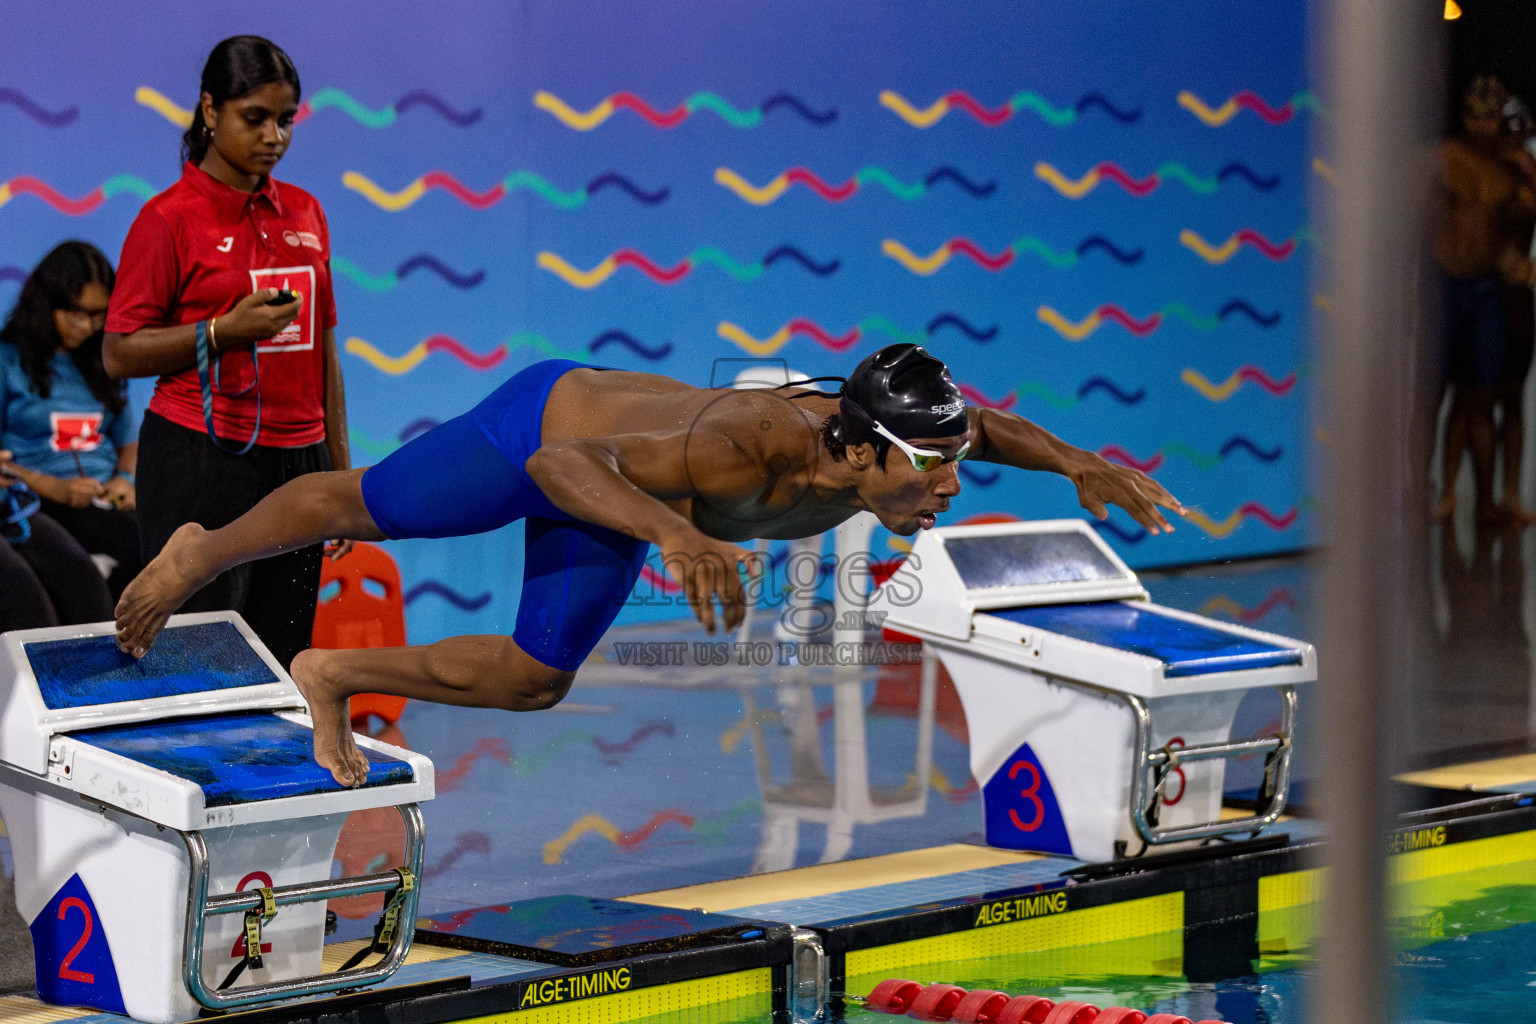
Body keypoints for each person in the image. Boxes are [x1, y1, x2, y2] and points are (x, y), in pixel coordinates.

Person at [115, 344, 1185, 787]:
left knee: (538, 680)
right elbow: (556, 461)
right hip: (543, 428)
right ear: (856, 449)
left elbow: (986, 426)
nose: (949, 486)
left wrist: (1085, 464)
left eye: (950, 467)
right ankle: (200, 549)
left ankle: (333, 676)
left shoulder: (888, 447)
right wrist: (676, 535)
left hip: (624, 493)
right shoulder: (751, 438)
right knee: (370, 504)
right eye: (928, 469)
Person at [103, 36, 352, 669]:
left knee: (281, 652)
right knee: (198, 653)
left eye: (286, 119)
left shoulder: (306, 211)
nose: (275, 136)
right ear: (210, 110)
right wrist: (220, 333)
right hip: (197, 459)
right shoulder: (168, 219)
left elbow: (325, 350)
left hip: (300, 460)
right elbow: (118, 353)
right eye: (256, 118)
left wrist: (341, 479)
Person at [0, 241, 141, 597]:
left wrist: (124, 480)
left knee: (167, 556)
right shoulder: (7, 360)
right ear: (46, 305)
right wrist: (55, 488)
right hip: (33, 500)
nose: (89, 326)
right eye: (77, 314)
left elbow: (129, 442)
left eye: (99, 316)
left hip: (100, 500)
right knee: (80, 580)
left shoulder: (104, 362)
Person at [1434, 76, 1536, 524]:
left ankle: (1499, 498)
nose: (1484, 126)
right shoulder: (1447, 159)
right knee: (1449, 397)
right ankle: (1443, 496)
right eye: (1476, 116)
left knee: (1499, 396)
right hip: (1458, 286)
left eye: (1492, 118)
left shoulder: (1518, 170)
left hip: (1504, 292)